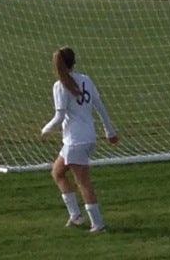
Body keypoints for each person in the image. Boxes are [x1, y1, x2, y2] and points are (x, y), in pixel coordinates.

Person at [41, 47, 118, 233]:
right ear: (73, 62)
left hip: (76, 141)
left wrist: (45, 129)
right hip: (83, 138)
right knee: (57, 172)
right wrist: (110, 131)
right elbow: (100, 106)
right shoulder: (86, 79)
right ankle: (75, 216)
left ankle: (98, 224)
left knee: (83, 182)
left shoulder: (60, 86)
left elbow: (59, 117)